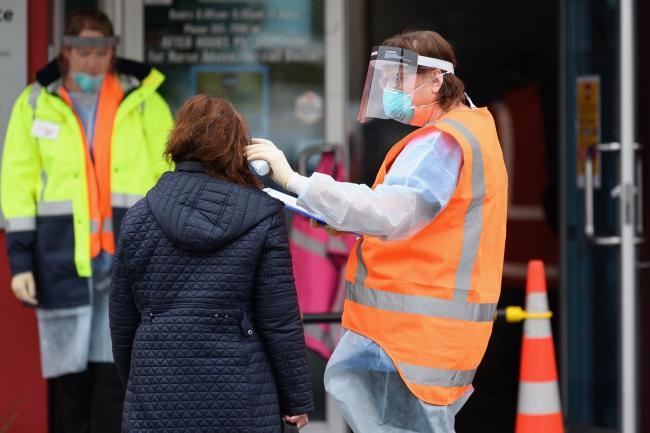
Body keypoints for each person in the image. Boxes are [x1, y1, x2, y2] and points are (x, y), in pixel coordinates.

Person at [245, 30, 508, 432]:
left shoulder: (442, 143)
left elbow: (389, 213)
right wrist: (340, 216)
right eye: (385, 78)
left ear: (436, 80)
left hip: (410, 338)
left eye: (398, 78)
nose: (389, 88)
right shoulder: (471, 130)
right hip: (422, 336)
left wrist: (296, 182)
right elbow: (419, 222)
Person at [1, 9, 173, 433]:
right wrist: (20, 261)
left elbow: (168, 173)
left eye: (100, 51)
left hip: (130, 258)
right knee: (69, 381)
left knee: (117, 378)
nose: (92, 61)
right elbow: (16, 183)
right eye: (83, 51)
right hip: (62, 258)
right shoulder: (36, 102)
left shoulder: (145, 102)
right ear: (66, 52)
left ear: (113, 52)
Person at [109, 95, 314, 433]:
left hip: (156, 393)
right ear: (238, 148)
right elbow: (279, 319)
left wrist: (139, 383)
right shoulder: (262, 216)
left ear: (177, 141)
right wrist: (296, 399)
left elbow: (121, 321)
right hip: (244, 395)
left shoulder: (138, 218)